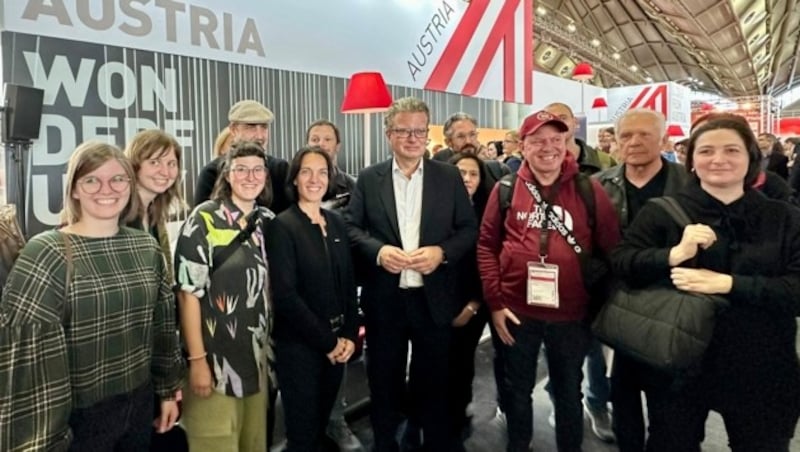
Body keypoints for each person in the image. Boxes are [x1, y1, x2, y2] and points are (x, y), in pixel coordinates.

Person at [610, 118, 800, 451]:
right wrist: (673, 254)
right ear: (692, 161)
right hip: (680, 364)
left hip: (761, 364)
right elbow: (623, 264)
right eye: (706, 151)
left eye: (731, 150)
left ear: (750, 157)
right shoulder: (664, 213)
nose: (718, 159)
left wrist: (728, 283)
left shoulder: (782, 217)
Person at [0, 141, 182, 451]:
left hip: (138, 404)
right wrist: (40, 439)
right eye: (91, 180)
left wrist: (167, 390)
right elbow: (24, 358)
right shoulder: (46, 253)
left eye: (117, 179)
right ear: (74, 189)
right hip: (77, 417)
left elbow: (162, 327)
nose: (106, 189)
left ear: (129, 184)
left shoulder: (146, 248)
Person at [477, 111, 620, 452]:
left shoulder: (589, 188)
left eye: (556, 140)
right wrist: (495, 304)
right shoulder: (506, 189)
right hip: (516, 313)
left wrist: (597, 304)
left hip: (571, 316)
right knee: (516, 390)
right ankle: (518, 445)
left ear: (566, 143)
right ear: (522, 146)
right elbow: (486, 246)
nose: (548, 148)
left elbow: (611, 248)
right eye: (538, 141)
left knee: (568, 390)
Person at [344, 97, 478, 451]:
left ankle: (427, 442)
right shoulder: (369, 179)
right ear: (389, 134)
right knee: (383, 383)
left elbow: (468, 229)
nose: (412, 138)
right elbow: (351, 227)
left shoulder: (448, 176)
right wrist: (379, 251)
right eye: (403, 130)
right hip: (385, 301)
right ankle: (385, 443)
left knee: (432, 384)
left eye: (419, 130)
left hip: (432, 300)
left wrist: (441, 253)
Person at [595, 108, 688, 452]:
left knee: (671, 401)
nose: (634, 142)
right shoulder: (600, 184)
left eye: (645, 135)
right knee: (623, 392)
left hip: (673, 306)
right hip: (621, 303)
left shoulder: (689, 183)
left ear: (664, 139)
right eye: (626, 136)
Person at [175, 140, 275, 452]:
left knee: (253, 443)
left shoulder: (269, 222)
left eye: (258, 169)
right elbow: (187, 294)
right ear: (227, 175)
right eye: (241, 169)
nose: (250, 176)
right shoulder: (204, 219)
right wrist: (198, 361)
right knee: (214, 442)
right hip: (215, 362)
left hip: (259, 362)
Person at [266, 146, 359, 452]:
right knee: (303, 435)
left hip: (336, 345)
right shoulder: (282, 226)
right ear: (294, 179)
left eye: (322, 172)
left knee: (321, 427)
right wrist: (329, 342)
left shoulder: (335, 223)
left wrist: (348, 336)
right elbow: (286, 296)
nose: (314, 179)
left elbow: (347, 283)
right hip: (300, 348)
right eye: (306, 171)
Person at [541, 102, 616, 442]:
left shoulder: (602, 164)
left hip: (592, 280)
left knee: (597, 349)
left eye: (563, 119)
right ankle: (562, 402)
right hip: (547, 286)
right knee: (559, 353)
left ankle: (598, 403)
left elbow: (610, 229)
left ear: (573, 124)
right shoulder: (530, 168)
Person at [303, 119, 364, 452]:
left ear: (337, 145)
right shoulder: (291, 182)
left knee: (337, 354)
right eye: (315, 138)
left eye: (327, 139)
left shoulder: (350, 185)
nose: (321, 143)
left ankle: (336, 421)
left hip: (338, 286)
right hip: (301, 286)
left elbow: (355, 231)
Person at [124, 129, 186, 450]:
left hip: (152, 352)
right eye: (155, 162)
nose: (166, 171)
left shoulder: (154, 213)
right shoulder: (120, 214)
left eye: (172, 163)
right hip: (129, 358)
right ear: (134, 164)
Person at [446, 152, 492, 448]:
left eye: (473, 173)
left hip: (473, 305)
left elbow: (490, 263)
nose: (466, 178)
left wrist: (474, 304)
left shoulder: (488, 214)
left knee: (462, 362)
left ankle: (458, 416)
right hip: (436, 305)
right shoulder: (435, 210)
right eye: (460, 172)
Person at [193, 100, 290, 213]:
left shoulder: (280, 169)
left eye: (264, 127)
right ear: (233, 130)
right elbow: (201, 222)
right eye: (251, 126)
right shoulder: (212, 172)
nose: (259, 136)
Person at [432, 112, 511, 184]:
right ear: (448, 142)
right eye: (461, 136)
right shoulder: (436, 167)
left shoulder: (498, 172)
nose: (468, 141)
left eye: (472, 134)